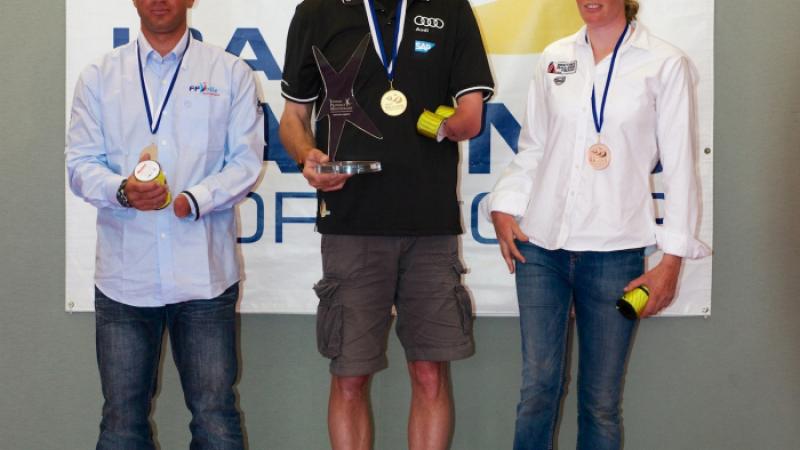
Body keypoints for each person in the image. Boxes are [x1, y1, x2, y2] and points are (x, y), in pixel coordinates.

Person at [483, 0, 711, 449]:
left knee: (601, 402)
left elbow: (681, 168)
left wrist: (671, 263)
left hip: (617, 258)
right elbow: (533, 148)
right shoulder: (554, 57)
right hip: (540, 250)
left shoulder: (665, 63)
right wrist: (503, 206)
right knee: (536, 390)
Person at [279, 0, 494, 448]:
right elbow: (294, 117)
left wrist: (448, 126)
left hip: (429, 225)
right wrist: (306, 156)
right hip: (351, 221)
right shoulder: (316, 11)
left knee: (431, 373)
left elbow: (471, 113)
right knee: (350, 377)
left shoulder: (450, 8)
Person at [65, 0, 263, 448]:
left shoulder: (229, 72)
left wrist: (196, 200)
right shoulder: (99, 77)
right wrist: (123, 190)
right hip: (124, 277)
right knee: (120, 421)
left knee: (215, 416)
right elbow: (79, 164)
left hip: (204, 278)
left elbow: (246, 162)